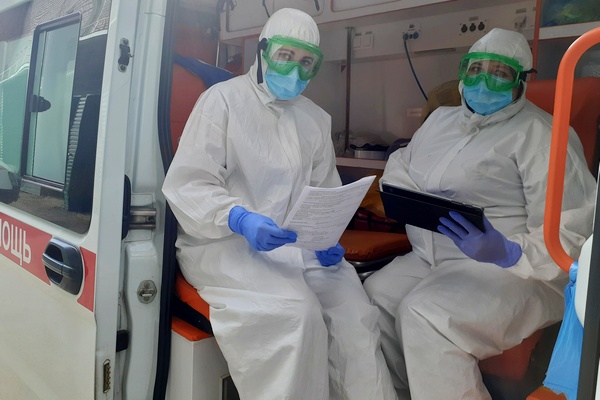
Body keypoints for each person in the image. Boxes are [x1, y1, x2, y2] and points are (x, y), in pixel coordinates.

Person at [162, 8, 397, 400]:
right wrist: (238, 218)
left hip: (300, 248)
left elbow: (324, 190)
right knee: (297, 314)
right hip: (227, 245)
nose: (294, 69)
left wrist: (326, 237)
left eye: (306, 62)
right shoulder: (222, 101)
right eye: (286, 55)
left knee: (354, 312)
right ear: (263, 50)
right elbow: (189, 183)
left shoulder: (315, 119)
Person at [363, 28, 596, 400]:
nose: (484, 82)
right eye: (475, 69)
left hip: (517, 272)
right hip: (429, 259)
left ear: (521, 82)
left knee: (427, 314)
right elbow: (400, 165)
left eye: (500, 73)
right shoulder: (441, 121)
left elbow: (573, 227)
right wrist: (410, 200)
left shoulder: (543, 135)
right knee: (375, 298)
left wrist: (510, 252)